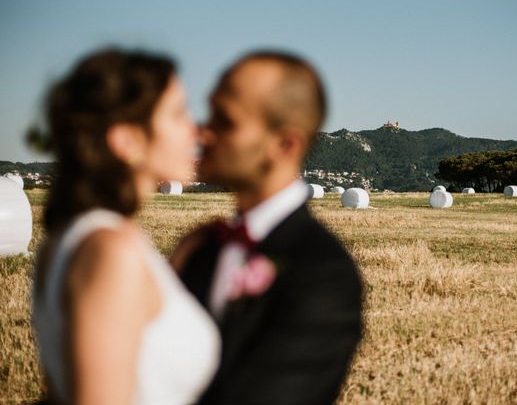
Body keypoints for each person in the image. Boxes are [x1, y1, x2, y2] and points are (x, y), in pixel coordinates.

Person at [171, 50, 363, 405]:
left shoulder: (322, 273)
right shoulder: (201, 248)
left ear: (284, 144)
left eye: (224, 121)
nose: (203, 131)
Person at [31, 48, 220, 405]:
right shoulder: (109, 250)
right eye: (178, 113)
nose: (194, 129)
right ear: (127, 140)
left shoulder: (75, 238)